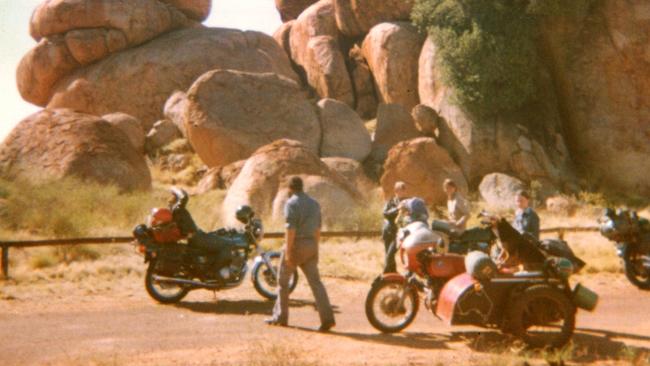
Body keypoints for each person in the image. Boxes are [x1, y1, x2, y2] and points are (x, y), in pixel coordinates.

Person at [266, 177, 335, 331]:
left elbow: (290, 230)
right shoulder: (314, 204)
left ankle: (280, 317)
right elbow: (318, 229)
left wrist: (289, 252)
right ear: (302, 187)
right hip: (311, 244)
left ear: (290, 189)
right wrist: (316, 248)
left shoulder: (291, 204)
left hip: (296, 245)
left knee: (283, 282)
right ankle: (327, 318)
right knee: (316, 283)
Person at [382, 181, 408, 273]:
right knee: (388, 254)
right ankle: (393, 274)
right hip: (387, 230)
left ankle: (384, 275)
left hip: (398, 233)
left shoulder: (407, 202)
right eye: (400, 190)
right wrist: (397, 208)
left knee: (390, 254)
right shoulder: (390, 201)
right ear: (395, 191)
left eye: (404, 190)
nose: (402, 192)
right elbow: (385, 214)